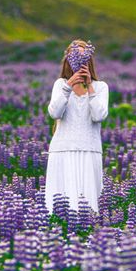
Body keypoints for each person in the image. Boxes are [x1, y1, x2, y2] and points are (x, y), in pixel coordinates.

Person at [45, 39, 109, 214]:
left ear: (89, 60)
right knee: (59, 206)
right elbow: (54, 113)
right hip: (62, 151)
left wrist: (89, 87)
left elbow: (99, 116)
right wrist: (68, 85)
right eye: (75, 57)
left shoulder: (100, 87)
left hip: (89, 150)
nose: (80, 61)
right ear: (68, 60)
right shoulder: (60, 85)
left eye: (84, 57)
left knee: (89, 206)